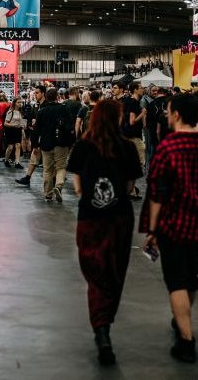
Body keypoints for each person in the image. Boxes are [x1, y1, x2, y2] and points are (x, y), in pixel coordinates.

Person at [141, 93, 198, 364]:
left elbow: (156, 194)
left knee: (176, 281)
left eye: (168, 111)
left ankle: (186, 339)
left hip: (172, 225)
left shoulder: (167, 148)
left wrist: (152, 230)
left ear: (176, 114)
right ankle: (182, 320)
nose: (167, 115)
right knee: (190, 279)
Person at [66, 98, 143, 366]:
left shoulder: (83, 146)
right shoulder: (128, 147)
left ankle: (101, 329)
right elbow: (131, 184)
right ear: (118, 118)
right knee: (114, 272)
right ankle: (105, 324)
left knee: (95, 273)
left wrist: (86, 195)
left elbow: (76, 182)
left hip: (90, 218)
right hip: (119, 218)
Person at [33, 87, 71, 202]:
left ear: (46, 97)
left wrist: (35, 145)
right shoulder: (64, 109)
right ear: (57, 97)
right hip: (61, 143)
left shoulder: (42, 111)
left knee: (47, 169)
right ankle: (59, 185)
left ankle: (48, 194)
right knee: (61, 167)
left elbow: (36, 130)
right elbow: (69, 126)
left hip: (46, 144)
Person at [16, 86, 46, 187]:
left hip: (45, 138)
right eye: (35, 93)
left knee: (48, 162)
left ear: (43, 93)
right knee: (34, 158)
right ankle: (27, 178)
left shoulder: (46, 106)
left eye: (37, 93)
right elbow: (32, 118)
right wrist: (31, 124)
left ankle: (55, 182)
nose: (35, 95)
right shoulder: (36, 106)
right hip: (38, 137)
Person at [121, 83, 147, 178]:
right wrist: (143, 113)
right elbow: (132, 121)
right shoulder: (134, 103)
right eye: (140, 88)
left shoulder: (127, 101)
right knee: (140, 160)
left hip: (126, 133)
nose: (142, 89)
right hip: (134, 135)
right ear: (135, 90)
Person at [3, 97, 26, 169]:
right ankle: (6, 160)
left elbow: (22, 122)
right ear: (14, 103)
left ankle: (17, 162)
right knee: (10, 147)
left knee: (18, 145)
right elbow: (5, 123)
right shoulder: (10, 112)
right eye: (18, 102)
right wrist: (14, 125)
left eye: (21, 102)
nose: (20, 104)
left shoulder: (21, 112)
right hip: (10, 130)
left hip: (18, 130)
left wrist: (23, 127)